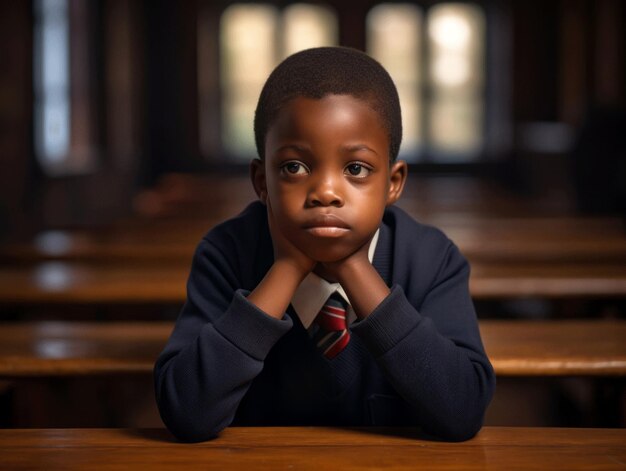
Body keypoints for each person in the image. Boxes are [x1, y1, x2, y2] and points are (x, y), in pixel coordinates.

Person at [154, 46, 495, 443]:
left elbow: (462, 411)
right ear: (262, 181)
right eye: (294, 167)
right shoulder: (225, 253)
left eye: (356, 169)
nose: (325, 193)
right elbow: (187, 412)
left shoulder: (431, 259)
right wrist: (286, 268)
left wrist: (354, 266)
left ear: (393, 183)